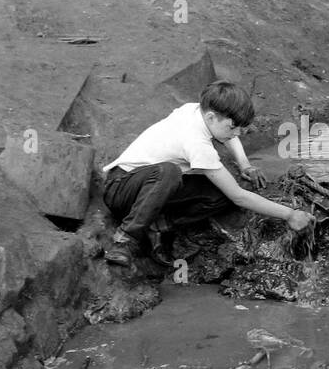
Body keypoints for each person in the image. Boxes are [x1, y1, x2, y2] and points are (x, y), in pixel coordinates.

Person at [101, 80, 312, 267]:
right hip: (121, 188)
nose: (237, 134)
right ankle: (125, 240)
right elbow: (238, 196)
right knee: (171, 172)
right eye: (232, 127)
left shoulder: (196, 111)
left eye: (240, 128)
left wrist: (246, 165)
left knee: (219, 193)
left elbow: (228, 135)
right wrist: (289, 214)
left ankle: (157, 224)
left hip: (149, 188)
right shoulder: (196, 142)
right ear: (211, 117)